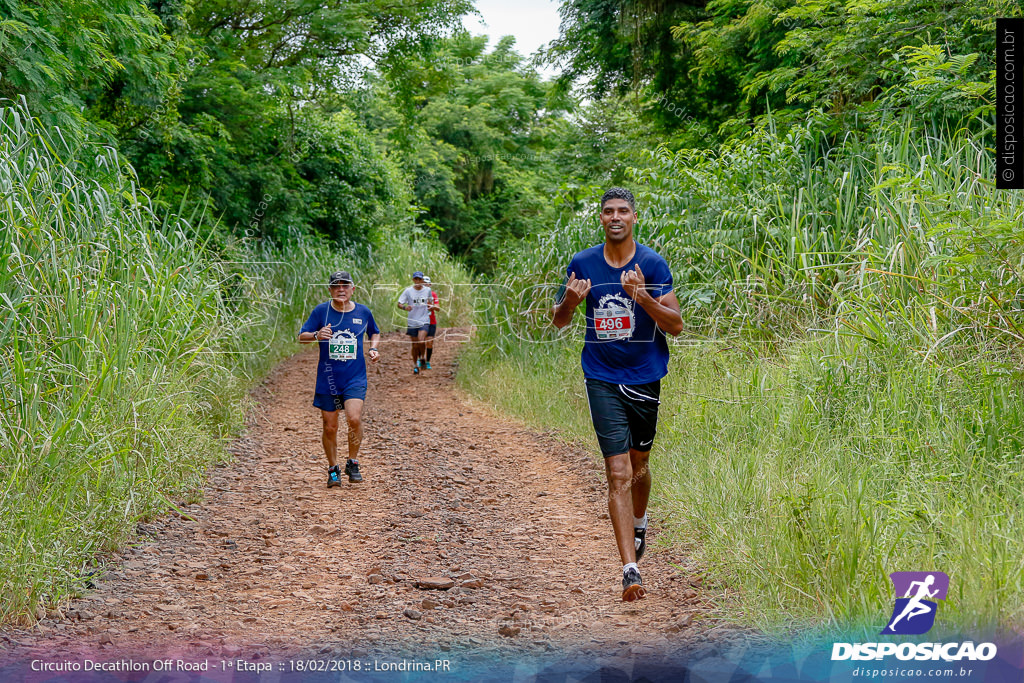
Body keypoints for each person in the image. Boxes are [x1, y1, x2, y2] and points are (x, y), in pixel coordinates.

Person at [552, 187, 683, 602]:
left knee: (640, 464)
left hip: (645, 375)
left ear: (634, 218)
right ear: (601, 218)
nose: (615, 217)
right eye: (608, 211)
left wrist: (641, 296)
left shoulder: (652, 263)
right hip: (601, 375)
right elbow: (558, 321)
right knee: (619, 473)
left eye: (622, 211)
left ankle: (640, 522)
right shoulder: (583, 263)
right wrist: (570, 304)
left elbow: (676, 326)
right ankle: (630, 569)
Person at [298, 271, 381, 487]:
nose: (341, 289)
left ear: (353, 289)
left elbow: (375, 332)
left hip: (354, 377)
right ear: (330, 290)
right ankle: (333, 468)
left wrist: (373, 349)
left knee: (354, 419)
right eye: (336, 286)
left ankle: (352, 462)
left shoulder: (363, 312)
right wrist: (317, 335)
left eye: (345, 285)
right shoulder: (321, 311)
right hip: (328, 379)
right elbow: (301, 336)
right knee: (330, 426)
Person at [397, 271, 432, 374]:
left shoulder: (427, 290)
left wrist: (431, 306)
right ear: (413, 280)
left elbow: (430, 302)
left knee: (421, 341)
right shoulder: (408, 291)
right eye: (415, 279)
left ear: (422, 280)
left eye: (419, 279)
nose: (417, 281)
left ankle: (422, 357)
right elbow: (399, 303)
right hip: (412, 321)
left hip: (424, 320)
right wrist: (405, 307)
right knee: (415, 345)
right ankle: (415, 365)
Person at [423, 275, 441, 369]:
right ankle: (420, 359)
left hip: (431, 321)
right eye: (423, 284)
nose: (425, 286)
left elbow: (438, 308)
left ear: (430, 285)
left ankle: (427, 361)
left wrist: (433, 307)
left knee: (429, 342)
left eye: (427, 284)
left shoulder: (433, 295)